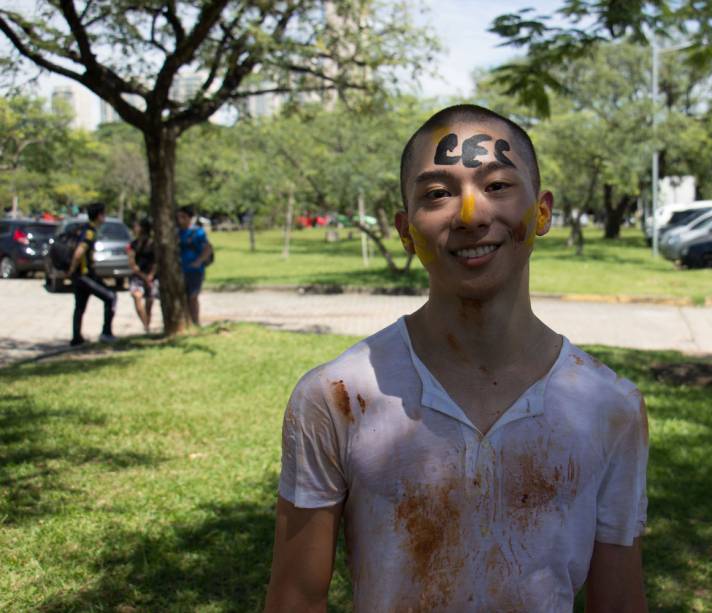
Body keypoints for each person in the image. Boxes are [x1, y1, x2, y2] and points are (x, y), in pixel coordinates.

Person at [264, 105, 649, 612]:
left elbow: (618, 601)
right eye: (438, 194)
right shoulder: (337, 397)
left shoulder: (611, 408)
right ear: (405, 230)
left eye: (497, 186)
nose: (470, 215)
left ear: (542, 211)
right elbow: (295, 600)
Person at [68, 202, 116, 346]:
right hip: (84, 276)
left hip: (81, 276)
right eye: (104, 214)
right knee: (110, 297)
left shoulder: (86, 229)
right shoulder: (89, 232)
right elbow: (79, 252)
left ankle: (76, 338)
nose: (105, 217)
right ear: (99, 215)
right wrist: (72, 269)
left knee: (80, 307)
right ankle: (106, 333)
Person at [176, 205, 211, 326]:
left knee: (192, 297)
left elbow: (207, 248)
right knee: (183, 298)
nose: (180, 220)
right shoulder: (176, 232)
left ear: (190, 218)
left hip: (194, 270)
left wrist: (198, 262)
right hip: (180, 270)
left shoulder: (197, 232)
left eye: (183, 217)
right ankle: (186, 322)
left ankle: (196, 322)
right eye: (179, 217)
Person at [127, 217, 157, 333]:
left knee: (149, 303)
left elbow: (157, 261)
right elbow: (132, 263)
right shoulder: (132, 245)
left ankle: (147, 325)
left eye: (137, 226)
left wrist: (151, 274)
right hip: (137, 276)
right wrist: (142, 275)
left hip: (151, 276)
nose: (135, 228)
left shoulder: (153, 244)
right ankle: (145, 325)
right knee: (137, 296)